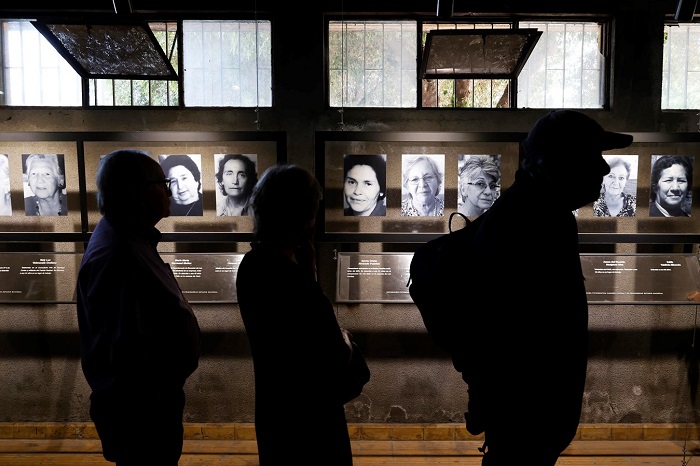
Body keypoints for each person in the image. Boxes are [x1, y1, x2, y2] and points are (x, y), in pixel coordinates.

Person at [458, 110, 633, 466]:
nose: (603, 168)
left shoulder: (541, 214)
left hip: (528, 413)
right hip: (525, 413)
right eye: (591, 156)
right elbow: (509, 330)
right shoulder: (529, 221)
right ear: (552, 164)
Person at [76, 149, 201, 466]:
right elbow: (130, 347)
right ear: (137, 191)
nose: (168, 192)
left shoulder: (131, 239)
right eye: (162, 183)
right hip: (141, 413)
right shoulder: (119, 253)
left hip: (150, 404)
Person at [236, 164, 357, 466]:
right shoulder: (287, 275)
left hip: (276, 410)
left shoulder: (253, 264)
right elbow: (333, 352)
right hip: (311, 418)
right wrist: (344, 337)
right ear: (304, 215)